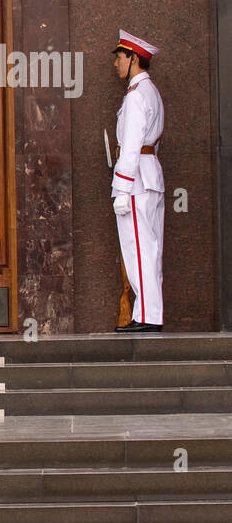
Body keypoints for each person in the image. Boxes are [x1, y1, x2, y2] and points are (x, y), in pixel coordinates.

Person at [111, 29, 164, 332]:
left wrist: (120, 187)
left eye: (119, 57)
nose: (116, 64)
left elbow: (130, 147)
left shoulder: (135, 96)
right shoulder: (151, 92)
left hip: (136, 180)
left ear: (132, 58)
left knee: (139, 248)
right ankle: (150, 313)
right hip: (150, 173)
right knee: (150, 248)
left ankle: (145, 316)